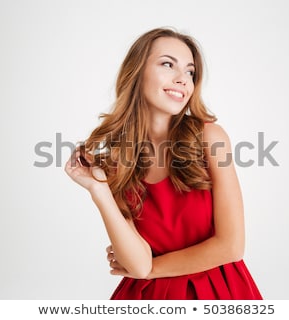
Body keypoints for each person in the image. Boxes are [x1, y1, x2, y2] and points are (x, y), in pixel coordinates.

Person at [65, 27, 262, 300]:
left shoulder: (210, 137)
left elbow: (231, 247)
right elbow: (136, 262)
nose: (182, 79)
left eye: (190, 72)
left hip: (217, 293)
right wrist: (98, 190)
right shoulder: (114, 162)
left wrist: (150, 269)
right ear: (137, 73)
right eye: (168, 64)